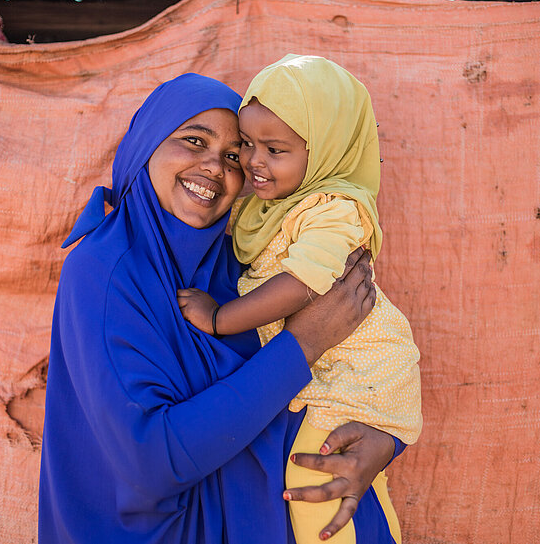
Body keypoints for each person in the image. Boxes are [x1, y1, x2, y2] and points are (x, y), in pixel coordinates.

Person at [39, 72, 404, 544]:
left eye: (234, 155)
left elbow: (361, 356)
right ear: (147, 144)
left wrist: (381, 442)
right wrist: (305, 342)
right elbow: (151, 459)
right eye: (194, 141)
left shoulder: (245, 269)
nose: (215, 167)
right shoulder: (104, 271)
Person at [178, 55, 422, 544]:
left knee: (314, 480)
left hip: (358, 372)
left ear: (326, 151)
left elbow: (302, 283)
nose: (253, 161)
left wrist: (222, 317)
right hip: (331, 370)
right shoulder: (270, 206)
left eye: (276, 149)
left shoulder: (334, 209)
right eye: (247, 144)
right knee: (364, 489)